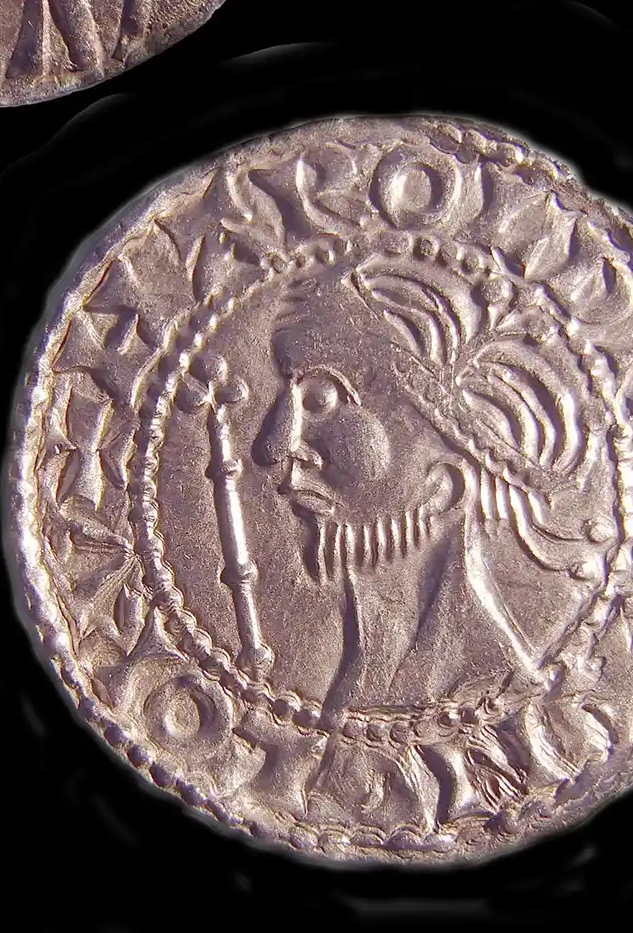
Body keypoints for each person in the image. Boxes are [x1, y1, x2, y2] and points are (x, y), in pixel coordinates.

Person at [251, 252, 607, 835]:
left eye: (322, 400)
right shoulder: (363, 694)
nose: (273, 446)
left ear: (444, 485)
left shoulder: (512, 719)